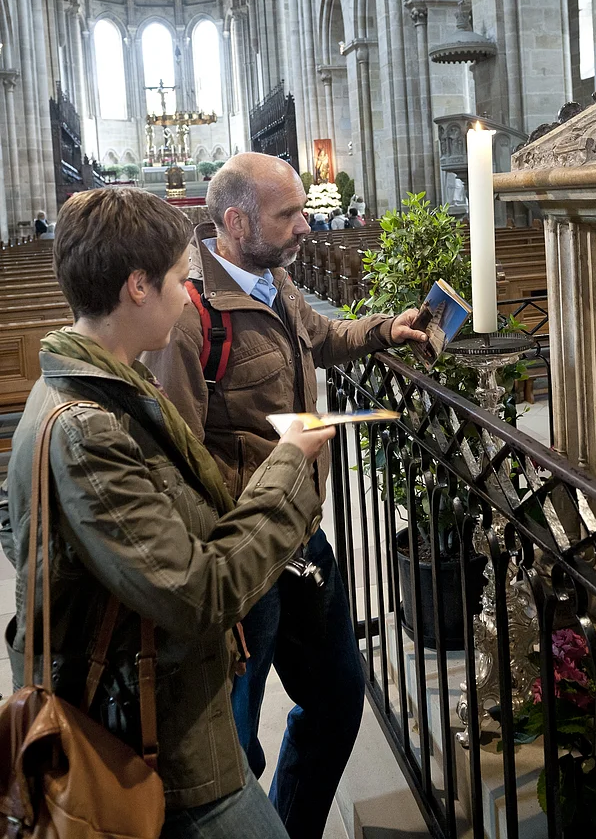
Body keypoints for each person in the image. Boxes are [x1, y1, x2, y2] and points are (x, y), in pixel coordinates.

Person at [0, 187, 335, 838]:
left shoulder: (79, 382)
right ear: (137, 286)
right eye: (180, 280)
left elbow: (25, 531)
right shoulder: (88, 425)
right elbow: (201, 591)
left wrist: (112, 574)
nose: (188, 297)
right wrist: (290, 464)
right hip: (156, 745)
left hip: (157, 706)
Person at [142, 153, 425, 839]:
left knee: (336, 701)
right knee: (232, 749)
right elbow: (172, 459)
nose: (305, 224)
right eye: (288, 214)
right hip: (242, 563)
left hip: (304, 540)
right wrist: (218, 573)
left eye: (303, 209)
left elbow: (321, 339)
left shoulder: (275, 278)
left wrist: (388, 329)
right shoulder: (188, 319)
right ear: (236, 221)